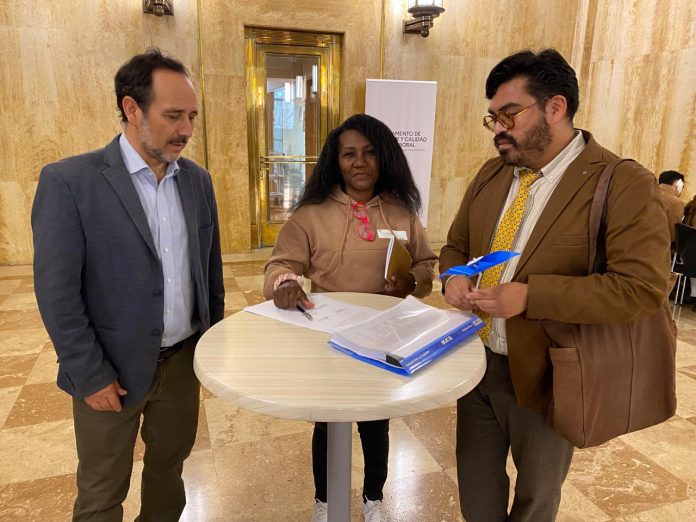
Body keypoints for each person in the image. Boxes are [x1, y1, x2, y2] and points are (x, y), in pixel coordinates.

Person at [439, 49, 670, 521]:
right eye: (493, 118)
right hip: (475, 364)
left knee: (536, 502)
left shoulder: (621, 181)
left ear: (555, 107)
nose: (498, 129)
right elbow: (455, 247)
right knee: (476, 495)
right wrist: (454, 277)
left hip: (550, 375)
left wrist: (531, 296)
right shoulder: (492, 174)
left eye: (509, 115)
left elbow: (641, 287)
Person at [32, 48, 225, 521]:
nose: (186, 130)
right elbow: (57, 293)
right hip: (109, 373)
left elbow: (209, 273)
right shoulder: (69, 182)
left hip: (181, 365)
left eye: (192, 117)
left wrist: (210, 350)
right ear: (131, 108)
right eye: (173, 116)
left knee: (169, 471)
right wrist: (90, 373)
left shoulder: (197, 181)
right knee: (102, 491)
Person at [263, 113, 437, 522]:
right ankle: (325, 502)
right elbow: (279, 266)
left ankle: (373, 500)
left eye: (369, 152)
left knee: (376, 425)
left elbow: (427, 265)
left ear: (384, 157)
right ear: (335, 161)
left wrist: (412, 281)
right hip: (330, 342)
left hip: (386, 338)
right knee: (329, 425)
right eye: (348, 154)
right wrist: (285, 283)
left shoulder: (402, 211)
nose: (360, 162)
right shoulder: (310, 215)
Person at [657, 169, 685, 242]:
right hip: (656, 244)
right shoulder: (676, 203)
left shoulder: (646, 192)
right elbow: (673, 235)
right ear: (678, 184)